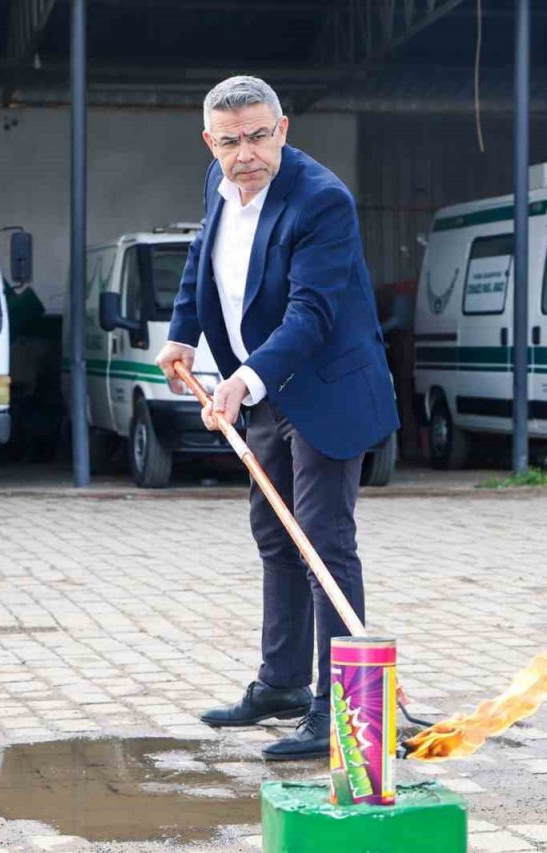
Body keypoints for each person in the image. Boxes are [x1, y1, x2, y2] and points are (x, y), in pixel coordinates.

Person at [155, 76, 398, 761]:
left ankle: (337, 709)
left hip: (325, 388)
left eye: (260, 136)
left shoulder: (322, 201)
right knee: (274, 531)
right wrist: (182, 334)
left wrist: (242, 378)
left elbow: (311, 313)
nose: (247, 154)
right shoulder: (219, 182)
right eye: (231, 141)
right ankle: (284, 682)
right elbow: (203, 256)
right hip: (263, 387)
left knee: (322, 540)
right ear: (212, 141)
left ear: (283, 129)